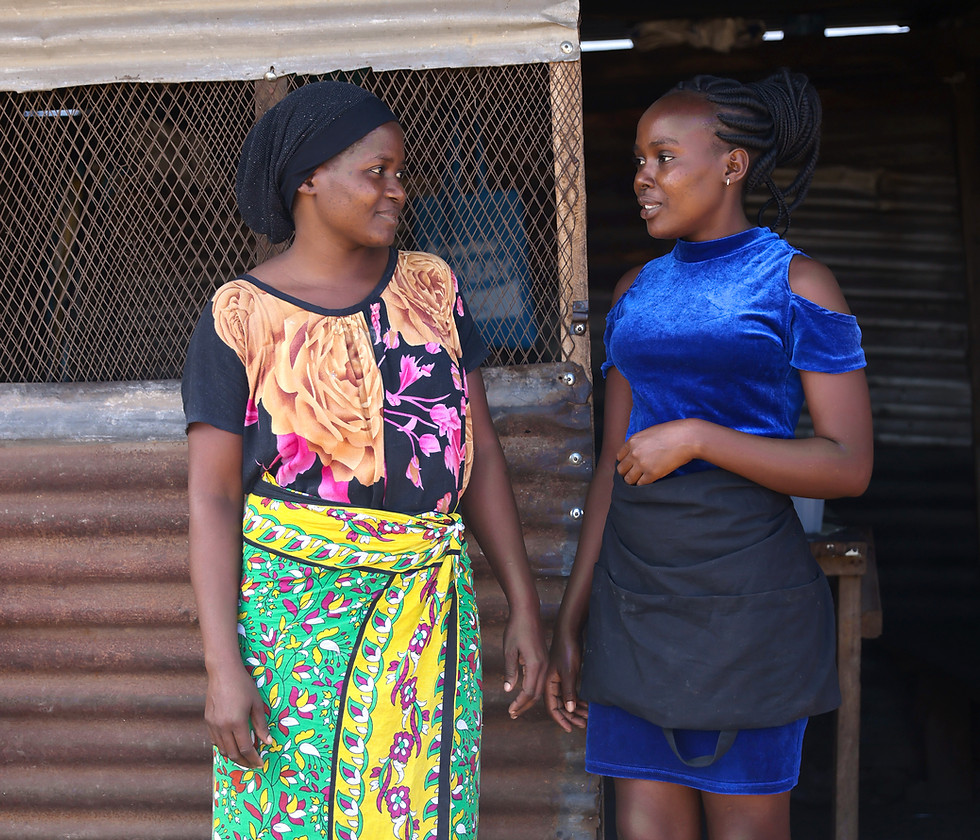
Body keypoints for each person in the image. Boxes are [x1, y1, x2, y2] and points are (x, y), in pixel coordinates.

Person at [182, 80, 546, 840]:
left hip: (426, 618)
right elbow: (214, 498)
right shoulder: (240, 316)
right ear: (310, 178)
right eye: (376, 172)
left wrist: (523, 604)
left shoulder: (432, 288)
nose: (397, 191)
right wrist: (223, 666)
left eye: (400, 173)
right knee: (292, 817)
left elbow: (476, 457)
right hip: (295, 636)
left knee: (415, 815)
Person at [545, 69, 873, 840]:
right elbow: (609, 468)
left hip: (747, 601)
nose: (642, 179)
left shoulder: (798, 284)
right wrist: (572, 613)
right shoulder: (636, 292)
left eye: (663, 158)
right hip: (636, 599)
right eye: (638, 160)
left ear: (732, 165)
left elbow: (848, 463)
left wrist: (699, 438)